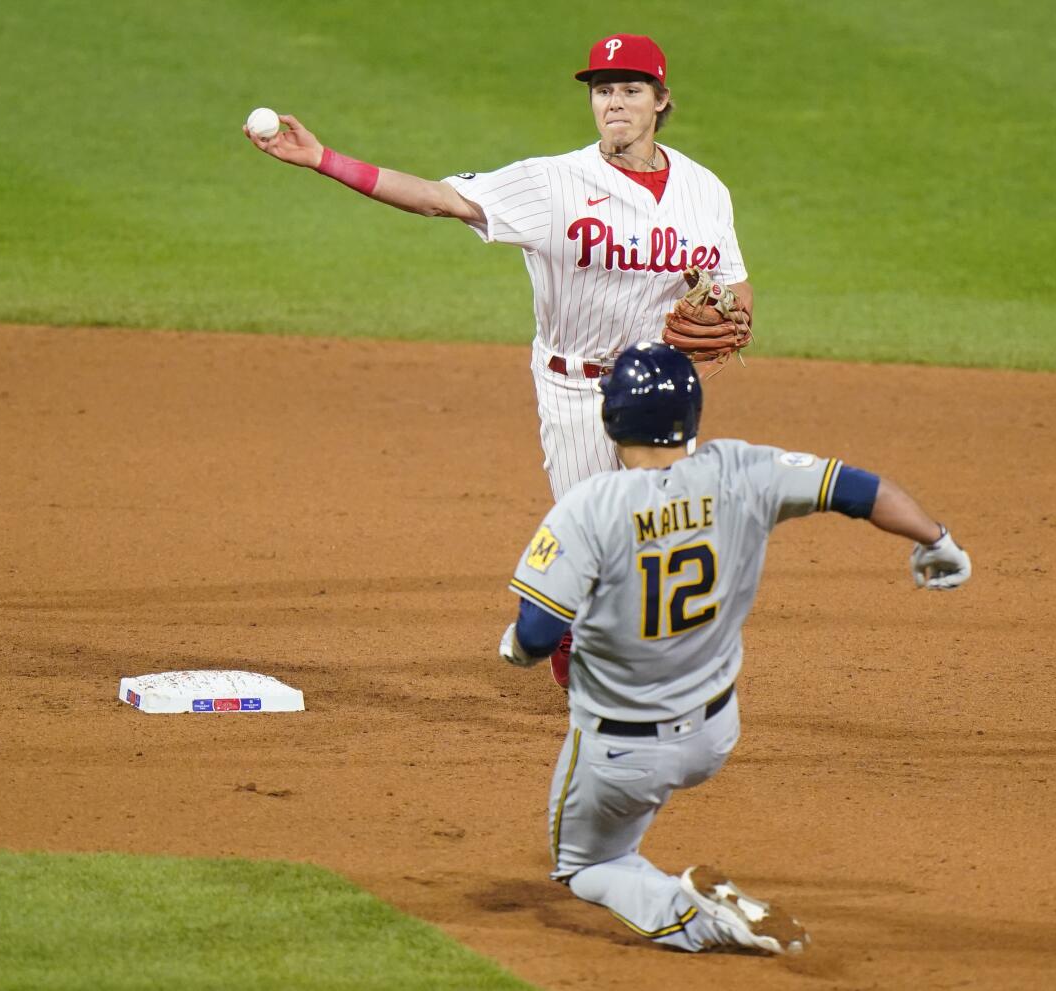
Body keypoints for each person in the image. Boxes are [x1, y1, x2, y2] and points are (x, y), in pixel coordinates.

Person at [245, 33, 752, 686]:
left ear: (661, 101)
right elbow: (437, 197)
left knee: (656, 536)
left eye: (630, 90)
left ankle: (626, 654)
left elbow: (734, 282)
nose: (614, 103)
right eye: (603, 91)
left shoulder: (704, 191)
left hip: (659, 394)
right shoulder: (553, 182)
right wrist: (323, 159)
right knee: (599, 539)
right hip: (576, 390)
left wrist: (734, 315)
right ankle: (577, 654)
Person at [497, 343, 971, 954]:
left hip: (623, 751)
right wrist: (936, 539)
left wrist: (515, 648)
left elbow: (536, 637)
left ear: (610, 420)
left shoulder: (587, 509)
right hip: (715, 733)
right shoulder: (744, 470)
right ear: (692, 416)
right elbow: (857, 489)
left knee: (586, 866)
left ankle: (699, 913)